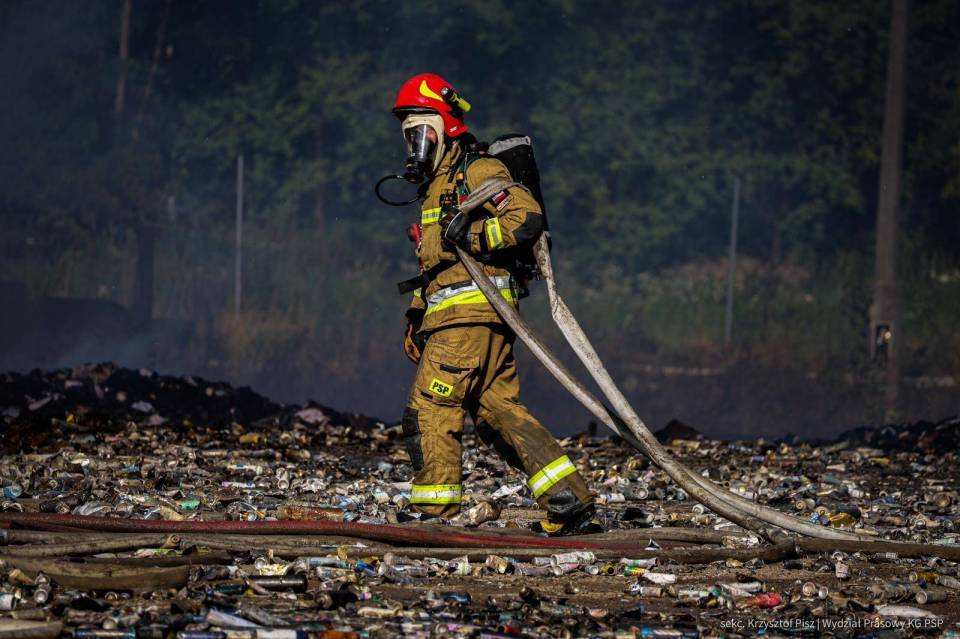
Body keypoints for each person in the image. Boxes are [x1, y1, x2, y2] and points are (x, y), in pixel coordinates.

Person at [391, 73, 597, 535]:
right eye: (408, 133)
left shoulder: (476, 171)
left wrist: (475, 235)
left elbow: (526, 217)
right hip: (463, 320)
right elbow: (435, 265)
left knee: (430, 407)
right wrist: (416, 315)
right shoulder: (436, 187)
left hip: (470, 318)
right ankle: (570, 502)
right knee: (499, 414)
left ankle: (433, 515)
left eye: (420, 130)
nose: (413, 143)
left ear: (444, 127)